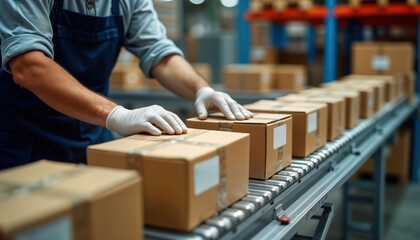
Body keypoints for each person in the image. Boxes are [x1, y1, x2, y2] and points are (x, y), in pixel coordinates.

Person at [0, 0, 253, 170]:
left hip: (94, 137)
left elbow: (158, 51)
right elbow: (28, 66)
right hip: (25, 145)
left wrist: (201, 88)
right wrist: (117, 115)